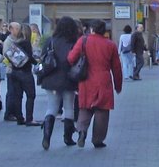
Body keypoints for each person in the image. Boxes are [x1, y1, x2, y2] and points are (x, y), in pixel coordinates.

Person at [68, 19, 122, 148]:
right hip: (103, 80)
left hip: (86, 80)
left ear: (91, 29)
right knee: (102, 111)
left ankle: (81, 132)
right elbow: (116, 67)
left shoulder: (83, 40)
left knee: (85, 108)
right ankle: (98, 139)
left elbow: (71, 58)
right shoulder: (110, 45)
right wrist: (118, 85)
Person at [39, 15, 81, 149]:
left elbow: (42, 58)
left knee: (51, 107)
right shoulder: (74, 42)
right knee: (68, 107)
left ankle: (46, 137)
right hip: (68, 78)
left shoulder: (50, 41)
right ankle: (68, 138)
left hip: (50, 78)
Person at [4, 22, 38, 126]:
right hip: (25, 73)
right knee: (31, 95)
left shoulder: (15, 43)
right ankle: (29, 119)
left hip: (14, 72)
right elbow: (29, 57)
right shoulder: (26, 43)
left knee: (18, 96)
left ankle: (19, 118)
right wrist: (36, 62)